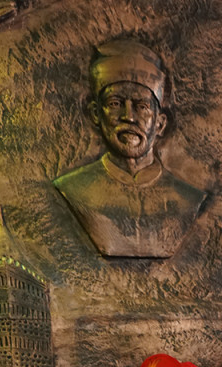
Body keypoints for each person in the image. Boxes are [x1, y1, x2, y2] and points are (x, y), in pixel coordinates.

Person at [53, 38, 207, 258]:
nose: (129, 117)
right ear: (96, 114)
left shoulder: (188, 199)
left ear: (160, 123)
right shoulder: (72, 188)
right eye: (115, 103)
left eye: (142, 106)